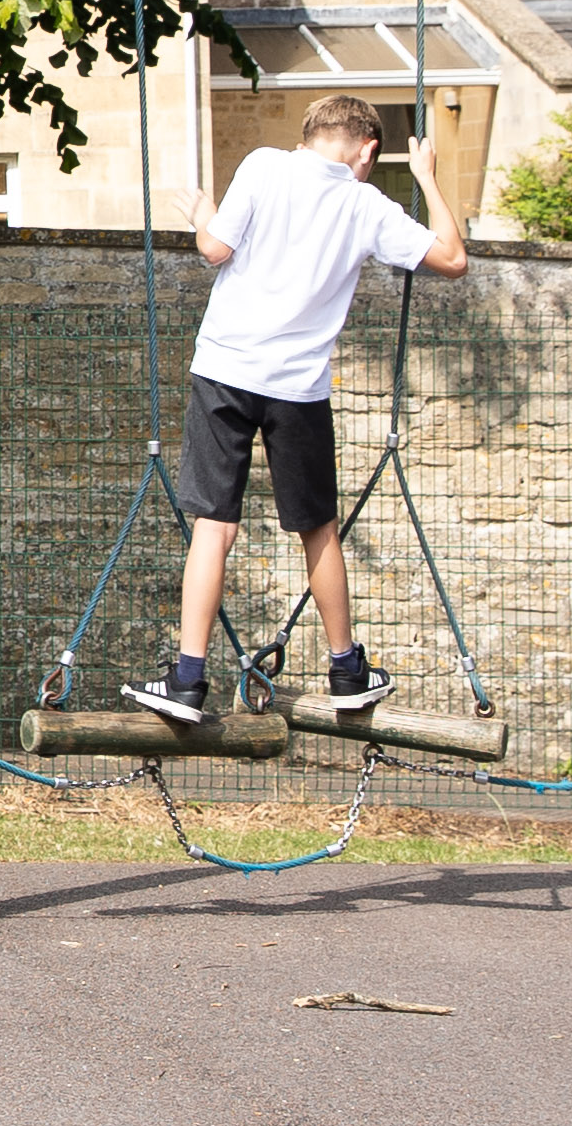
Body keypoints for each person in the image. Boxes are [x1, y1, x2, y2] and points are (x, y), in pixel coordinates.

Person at [131, 88, 476, 729]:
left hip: (225, 370)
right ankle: (346, 669)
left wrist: (206, 214)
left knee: (215, 525)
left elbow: (215, 251)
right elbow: (453, 258)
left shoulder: (263, 164)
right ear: (367, 150)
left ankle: (186, 679)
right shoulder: (367, 204)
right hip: (298, 389)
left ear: (309, 135)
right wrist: (427, 177)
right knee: (317, 527)